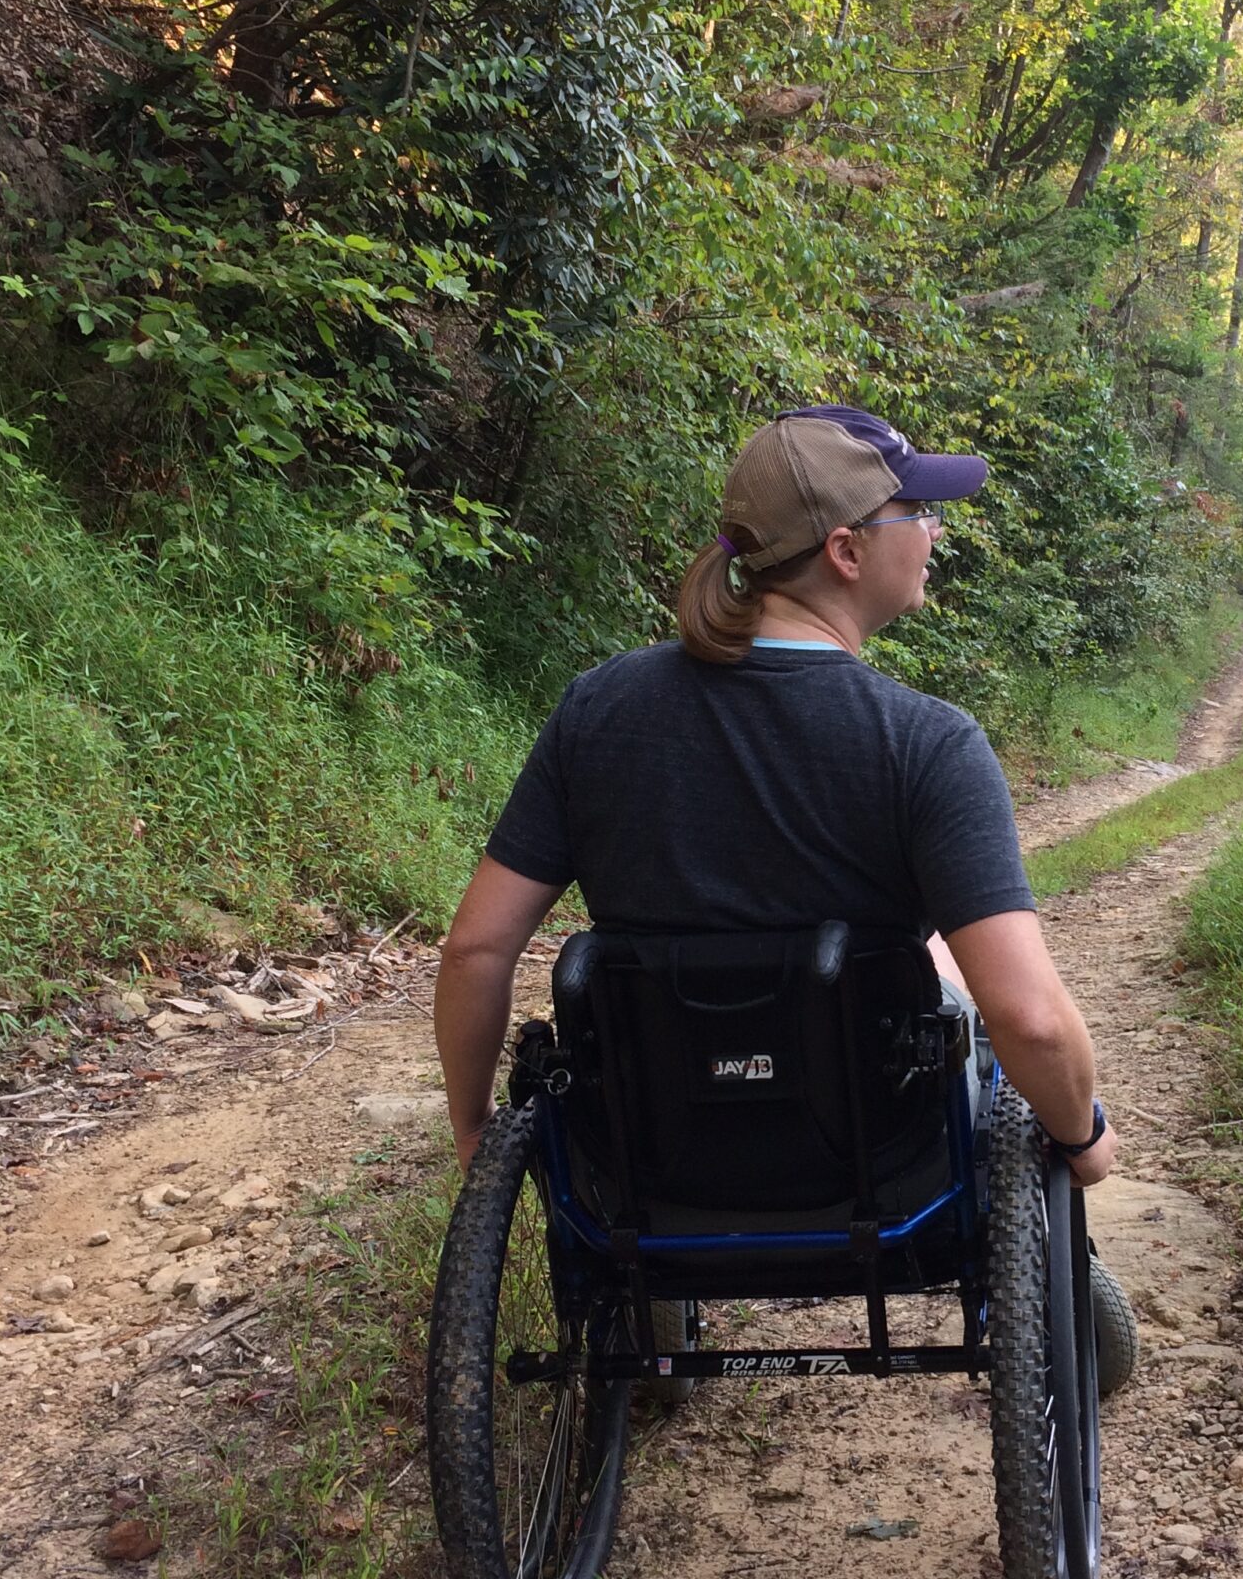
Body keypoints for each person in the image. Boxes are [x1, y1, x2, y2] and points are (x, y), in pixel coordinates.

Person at [433, 403, 1119, 1190]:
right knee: (939, 957)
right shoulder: (927, 743)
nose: (935, 532)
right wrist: (1083, 1135)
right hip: (879, 1157)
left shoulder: (598, 710)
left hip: (646, 1154)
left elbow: (476, 949)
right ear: (846, 549)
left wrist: (473, 1131)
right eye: (919, 513)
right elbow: (1029, 1019)